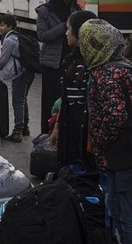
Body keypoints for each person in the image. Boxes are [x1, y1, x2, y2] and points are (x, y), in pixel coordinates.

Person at [79, 19, 132, 244]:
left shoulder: (108, 74)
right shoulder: (122, 66)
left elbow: (116, 116)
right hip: (125, 154)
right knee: (116, 207)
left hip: (126, 156)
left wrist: (99, 140)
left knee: (128, 213)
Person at [47, 10, 98, 168]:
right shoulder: (72, 60)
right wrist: (57, 127)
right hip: (69, 127)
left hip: (85, 133)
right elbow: (66, 98)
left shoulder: (94, 64)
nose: (66, 33)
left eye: (69, 28)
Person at [36, 0, 82, 134]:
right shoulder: (45, 11)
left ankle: (64, 133)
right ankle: (47, 134)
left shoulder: (76, 9)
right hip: (52, 64)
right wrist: (64, 26)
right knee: (51, 101)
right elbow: (42, 35)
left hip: (71, 61)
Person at [0, 14, 34, 143]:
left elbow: (3, 60)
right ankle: (25, 127)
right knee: (22, 99)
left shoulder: (8, 40)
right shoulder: (17, 37)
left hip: (19, 73)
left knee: (18, 101)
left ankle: (17, 132)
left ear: (10, 27)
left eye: (2, 25)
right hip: (28, 71)